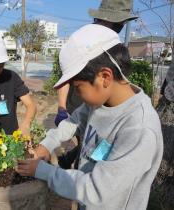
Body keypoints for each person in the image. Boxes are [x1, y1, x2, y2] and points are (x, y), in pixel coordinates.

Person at [16, 24, 163, 210]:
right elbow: (72, 122)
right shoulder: (99, 103)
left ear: (104, 76)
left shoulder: (138, 128)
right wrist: (47, 144)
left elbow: (98, 191)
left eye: (78, 88)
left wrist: (44, 171)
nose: (77, 95)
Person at [56, 0, 139, 169]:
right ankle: (78, 161)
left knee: (95, 149)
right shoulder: (84, 41)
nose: (121, 25)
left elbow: (103, 185)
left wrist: (53, 175)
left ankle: (75, 161)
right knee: (87, 144)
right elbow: (68, 81)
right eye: (119, 21)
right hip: (88, 102)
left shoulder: (135, 128)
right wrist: (62, 107)